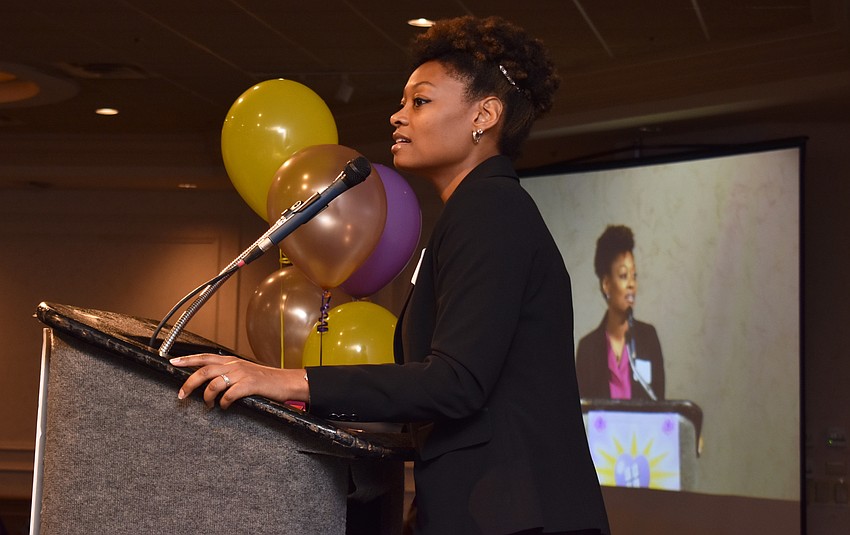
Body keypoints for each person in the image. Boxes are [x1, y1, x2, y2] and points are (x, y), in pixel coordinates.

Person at [171, 15, 610, 535]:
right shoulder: (479, 210)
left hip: (517, 519)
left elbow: (456, 382)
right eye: (402, 102)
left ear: (485, 115)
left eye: (419, 102)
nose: (397, 117)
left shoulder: (491, 210)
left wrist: (283, 379)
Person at [576, 225, 665, 401]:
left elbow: (659, 406)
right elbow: (581, 416)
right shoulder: (588, 349)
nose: (631, 284)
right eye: (624, 276)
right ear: (606, 284)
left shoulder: (648, 338)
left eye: (634, 276)